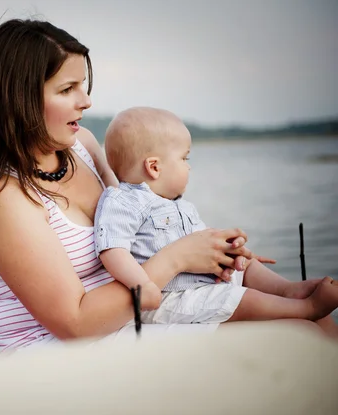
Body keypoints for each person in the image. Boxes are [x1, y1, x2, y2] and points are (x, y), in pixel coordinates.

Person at [0, 18, 325, 353]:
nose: (85, 102)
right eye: (67, 89)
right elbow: (75, 322)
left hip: (134, 312)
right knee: (294, 332)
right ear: (18, 100)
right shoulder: (6, 196)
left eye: (82, 86)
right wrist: (178, 257)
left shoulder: (81, 144)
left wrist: (213, 250)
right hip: (60, 350)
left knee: (315, 320)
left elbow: (141, 212)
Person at [94, 106, 338, 332]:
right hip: (169, 297)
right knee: (239, 299)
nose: (188, 167)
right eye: (184, 159)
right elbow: (112, 249)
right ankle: (306, 309)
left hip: (200, 284)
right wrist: (142, 286)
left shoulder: (176, 203)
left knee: (246, 267)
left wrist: (229, 249)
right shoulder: (122, 201)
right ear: (154, 167)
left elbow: (200, 242)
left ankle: (288, 290)